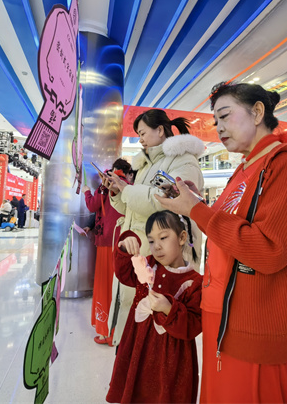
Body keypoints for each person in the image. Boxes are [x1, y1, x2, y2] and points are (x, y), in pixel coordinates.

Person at [156, 82, 287, 403]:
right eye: (215, 120)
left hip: (259, 328)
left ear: (257, 112)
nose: (218, 127)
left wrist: (197, 210)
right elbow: (227, 228)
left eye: (225, 116)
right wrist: (196, 202)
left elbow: (269, 249)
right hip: (223, 318)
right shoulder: (244, 170)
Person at [101, 108, 205, 347]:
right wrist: (117, 192)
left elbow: (162, 200)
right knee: (135, 318)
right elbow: (133, 206)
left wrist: (127, 190)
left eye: (143, 133)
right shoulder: (146, 165)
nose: (140, 139)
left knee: (157, 328)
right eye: (138, 134)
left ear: (160, 130)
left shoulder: (184, 160)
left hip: (162, 253)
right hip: (140, 250)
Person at [106, 210, 202, 404]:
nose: (156, 247)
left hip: (171, 361)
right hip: (137, 349)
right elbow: (124, 274)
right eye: (151, 241)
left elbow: (193, 325)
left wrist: (169, 309)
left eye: (163, 238)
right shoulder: (149, 265)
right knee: (136, 392)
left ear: (182, 237)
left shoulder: (194, 282)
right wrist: (125, 246)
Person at [83, 158, 132, 345]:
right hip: (124, 241)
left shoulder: (107, 184)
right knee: (119, 287)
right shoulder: (129, 187)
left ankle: (106, 332)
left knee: (104, 285)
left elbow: (92, 205)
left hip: (106, 241)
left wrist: (87, 191)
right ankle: (118, 332)